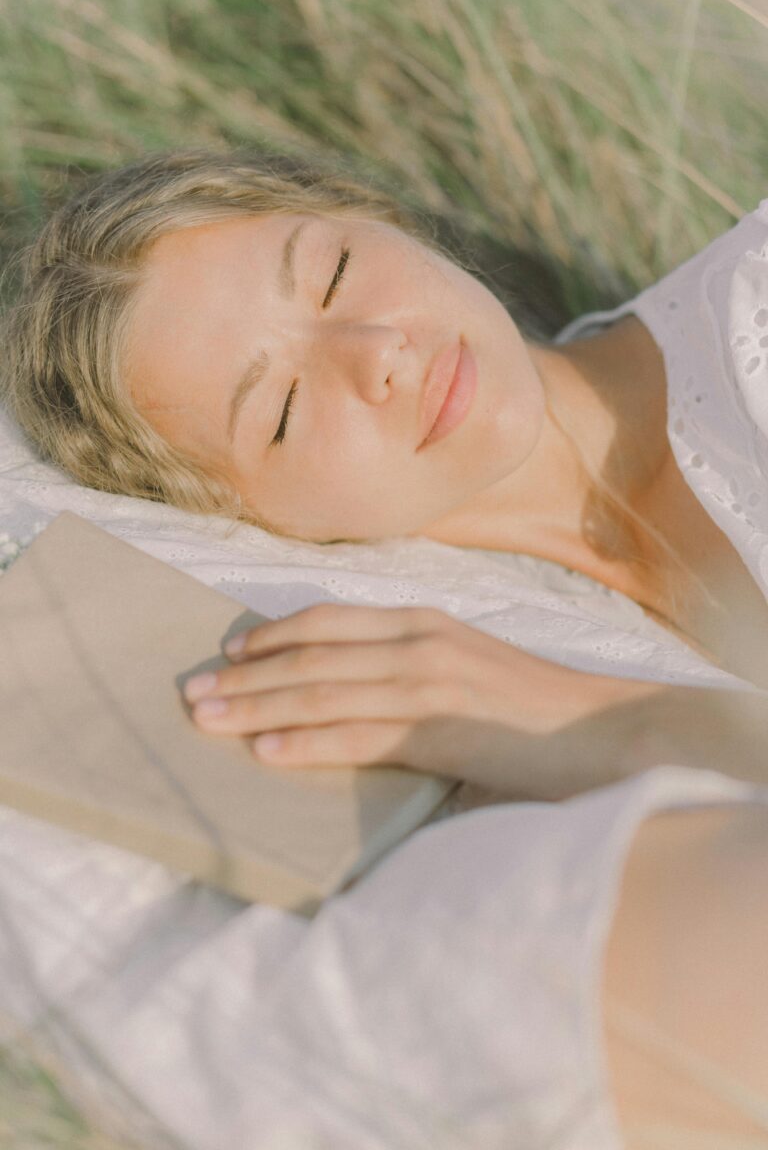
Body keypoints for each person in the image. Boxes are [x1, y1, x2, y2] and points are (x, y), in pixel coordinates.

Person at [2, 148, 768, 1146]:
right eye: (280, 412)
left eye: (332, 272)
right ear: (250, 520)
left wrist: (606, 726)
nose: (377, 354)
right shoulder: (482, 626)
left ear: (376, 213)